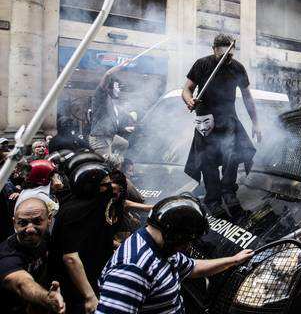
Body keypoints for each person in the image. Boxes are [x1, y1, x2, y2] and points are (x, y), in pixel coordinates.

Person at [96, 194, 253, 313]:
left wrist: (233, 260)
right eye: (186, 241)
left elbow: (192, 267)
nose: (187, 246)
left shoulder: (158, 244)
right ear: (174, 236)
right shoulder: (133, 269)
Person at [182, 34, 260, 216]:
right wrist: (189, 100)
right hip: (205, 120)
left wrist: (256, 122)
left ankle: (229, 193)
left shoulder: (238, 68)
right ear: (214, 50)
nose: (226, 59)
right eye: (221, 55)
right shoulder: (202, 64)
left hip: (228, 120)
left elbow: (247, 96)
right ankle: (213, 199)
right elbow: (186, 89)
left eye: (229, 55)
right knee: (208, 162)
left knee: (231, 157)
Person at [49, 162, 120, 313]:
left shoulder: (91, 206)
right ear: (90, 187)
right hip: (77, 288)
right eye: (105, 184)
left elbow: (89, 236)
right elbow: (70, 257)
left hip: (94, 275)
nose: (110, 188)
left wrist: (114, 244)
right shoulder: (75, 212)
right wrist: (90, 297)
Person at [0, 197, 65, 313]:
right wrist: (46, 298)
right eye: (23, 223)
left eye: (37, 221)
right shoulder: (7, 256)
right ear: (14, 223)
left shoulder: (45, 237)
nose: (30, 229)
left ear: (49, 219)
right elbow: (22, 283)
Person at [88, 58, 136, 156]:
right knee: (109, 166)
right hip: (100, 140)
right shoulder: (101, 95)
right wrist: (122, 65)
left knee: (124, 144)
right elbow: (108, 74)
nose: (119, 90)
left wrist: (124, 129)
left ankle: (116, 159)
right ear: (109, 87)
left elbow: (110, 124)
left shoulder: (111, 102)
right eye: (117, 87)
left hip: (110, 137)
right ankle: (114, 162)